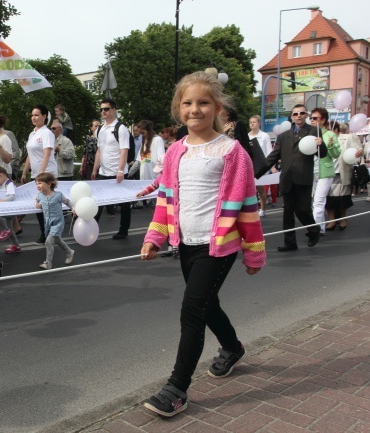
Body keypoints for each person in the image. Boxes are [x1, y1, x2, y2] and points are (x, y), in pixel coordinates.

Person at [140, 71, 265, 417]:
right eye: (188, 103)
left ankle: (177, 388)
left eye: (203, 102)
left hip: (218, 247)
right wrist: (155, 237)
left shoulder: (231, 151)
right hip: (186, 244)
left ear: (218, 107)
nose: (195, 109)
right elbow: (165, 198)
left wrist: (254, 252)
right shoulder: (175, 150)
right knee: (207, 305)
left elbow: (247, 205)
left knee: (192, 310)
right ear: (179, 108)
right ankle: (232, 347)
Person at [261, 104, 326, 251]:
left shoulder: (314, 131)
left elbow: (322, 154)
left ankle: (314, 230)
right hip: (287, 178)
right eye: (295, 114)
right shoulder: (283, 136)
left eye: (302, 113)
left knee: (303, 210)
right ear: (292, 116)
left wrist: (321, 145)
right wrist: (254, 172)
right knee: (288, 212)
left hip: (303, 177)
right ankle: (290, 243)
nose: (299, 116)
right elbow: (272, 157)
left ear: (306, 115)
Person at [92, 98, 132, 239]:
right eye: (102, 109)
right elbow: (99, 150)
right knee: (97, 203)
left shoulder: (120, 128)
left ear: (114, 110)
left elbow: (124, 151)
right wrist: (95, 169)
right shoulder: (100, 129)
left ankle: (123, 230)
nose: (103, 111)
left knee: (124, 203)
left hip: (118, 172)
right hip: (104, 172)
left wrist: (120, 170)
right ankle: (91, 230)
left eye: (106, 109)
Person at [21, 104, 57, 244]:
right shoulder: (33, 133)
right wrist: (25, 172)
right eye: (32, 115)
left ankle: (49, 234)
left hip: (47, 174)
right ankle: (45, 232)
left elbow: (47, 154)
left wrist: (41, 174)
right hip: (36, 174)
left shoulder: (46, 133)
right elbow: (30, 155)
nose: (34, 118)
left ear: (44, 116)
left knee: (46, 205)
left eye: (37, 115)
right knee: (38, 205)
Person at [325, 122, 364, 229]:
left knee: (342, 198)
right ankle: (332, 220)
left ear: (336, 130)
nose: (328, 132)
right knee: (329, 199)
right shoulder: (323, 138)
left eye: (329, 129)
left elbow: (358, 148)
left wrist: (359, 151)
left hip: (342, 172)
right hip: (326, 172)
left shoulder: (348, 138)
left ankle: (343, 219)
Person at [34, 172, 75, 270]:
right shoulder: (40, 196)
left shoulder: (58, 195)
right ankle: (70, 252)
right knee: (58, 240)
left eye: (40, 183)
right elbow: (36, 199)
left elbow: (67, 201)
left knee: (48, 241)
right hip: (48, 223)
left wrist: (73, 208)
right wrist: (37, 204)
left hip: (58, 222)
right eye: (36, 184)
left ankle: (48, 263)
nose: (37, 186)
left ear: (48, 184)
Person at [309, 108, 340, 234]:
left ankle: (316, 229)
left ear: (323, 120)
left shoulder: (330, 135)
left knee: (319, 201)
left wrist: (331, 145)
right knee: (313, 202)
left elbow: (336, 154)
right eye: (311, 118)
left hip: (325, 172)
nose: (311, 120)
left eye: (315, 118)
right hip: (310, 171)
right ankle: (320, 228)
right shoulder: (308, 134)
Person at [0, 166, 21, 253]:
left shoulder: (9, 184)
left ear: (1, 175)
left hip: (10, 209)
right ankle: (16, 245)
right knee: (10, 229)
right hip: (7, 209)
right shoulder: (2, 184)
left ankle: (5, 230)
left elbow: (12, 196)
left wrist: (3, 200)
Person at [248, 115, 273, 217]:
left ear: (259, 123)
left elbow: (269, 152)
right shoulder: (248, 136)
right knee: (251, 189)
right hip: (251, 165)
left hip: (262, 165)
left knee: (260, 188)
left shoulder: (265, 136)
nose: (252, 124)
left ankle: (263, 208)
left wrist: (270, 166)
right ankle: (254, 209)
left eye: (254, 122)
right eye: (250, 122)